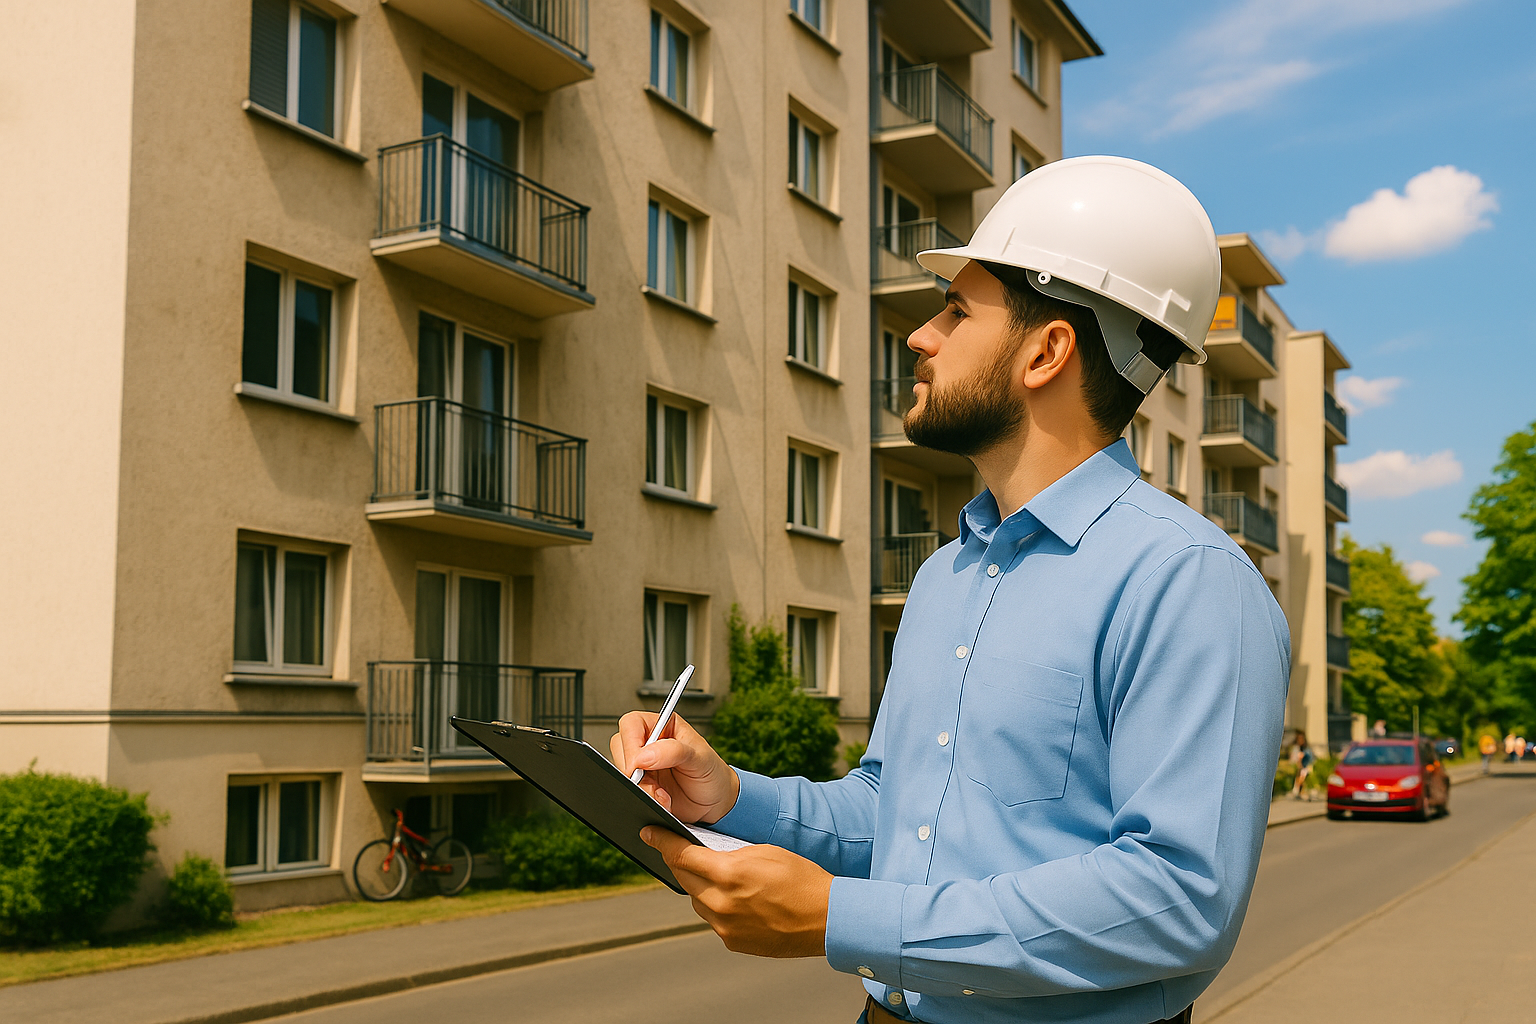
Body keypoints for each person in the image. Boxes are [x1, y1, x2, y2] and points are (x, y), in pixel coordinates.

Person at [612, 156, 1290, 1024]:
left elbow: (1177, 899)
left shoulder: (1187, 582)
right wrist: (737, 797)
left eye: (957, 310)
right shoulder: (947, 574)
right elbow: (897, 816)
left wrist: (838, 917)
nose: (919, 335)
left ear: (1047, 351)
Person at [1288, 732, 1316, 800]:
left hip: (1306, 767)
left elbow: (1309, 758)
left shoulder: (1306, 749)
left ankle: (1301, 792)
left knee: (1301, 780)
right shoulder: (1297, 748)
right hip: (1300, 767)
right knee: (1299, 779)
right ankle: (1299, 792)